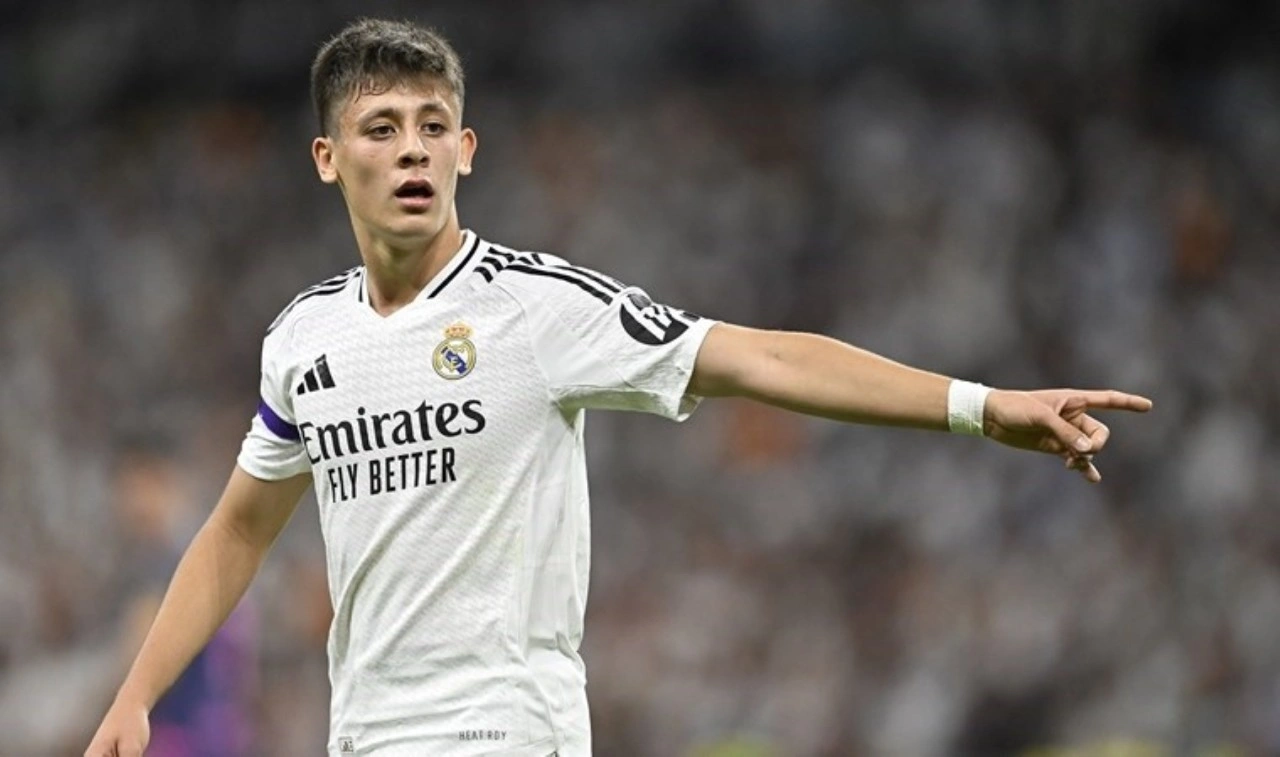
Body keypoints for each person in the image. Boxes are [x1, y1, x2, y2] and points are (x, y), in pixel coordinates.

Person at [85, 17, 1152, 757]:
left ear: (465, 150)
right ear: (328, 158)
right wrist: (135, 695)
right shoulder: (302, 339)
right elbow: (238, 529)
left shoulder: (536, 308)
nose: (411, 151)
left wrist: (979, 406)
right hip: (363, 732)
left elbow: (758, 357)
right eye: (381, 128)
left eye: (431, 127)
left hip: (507, 729)